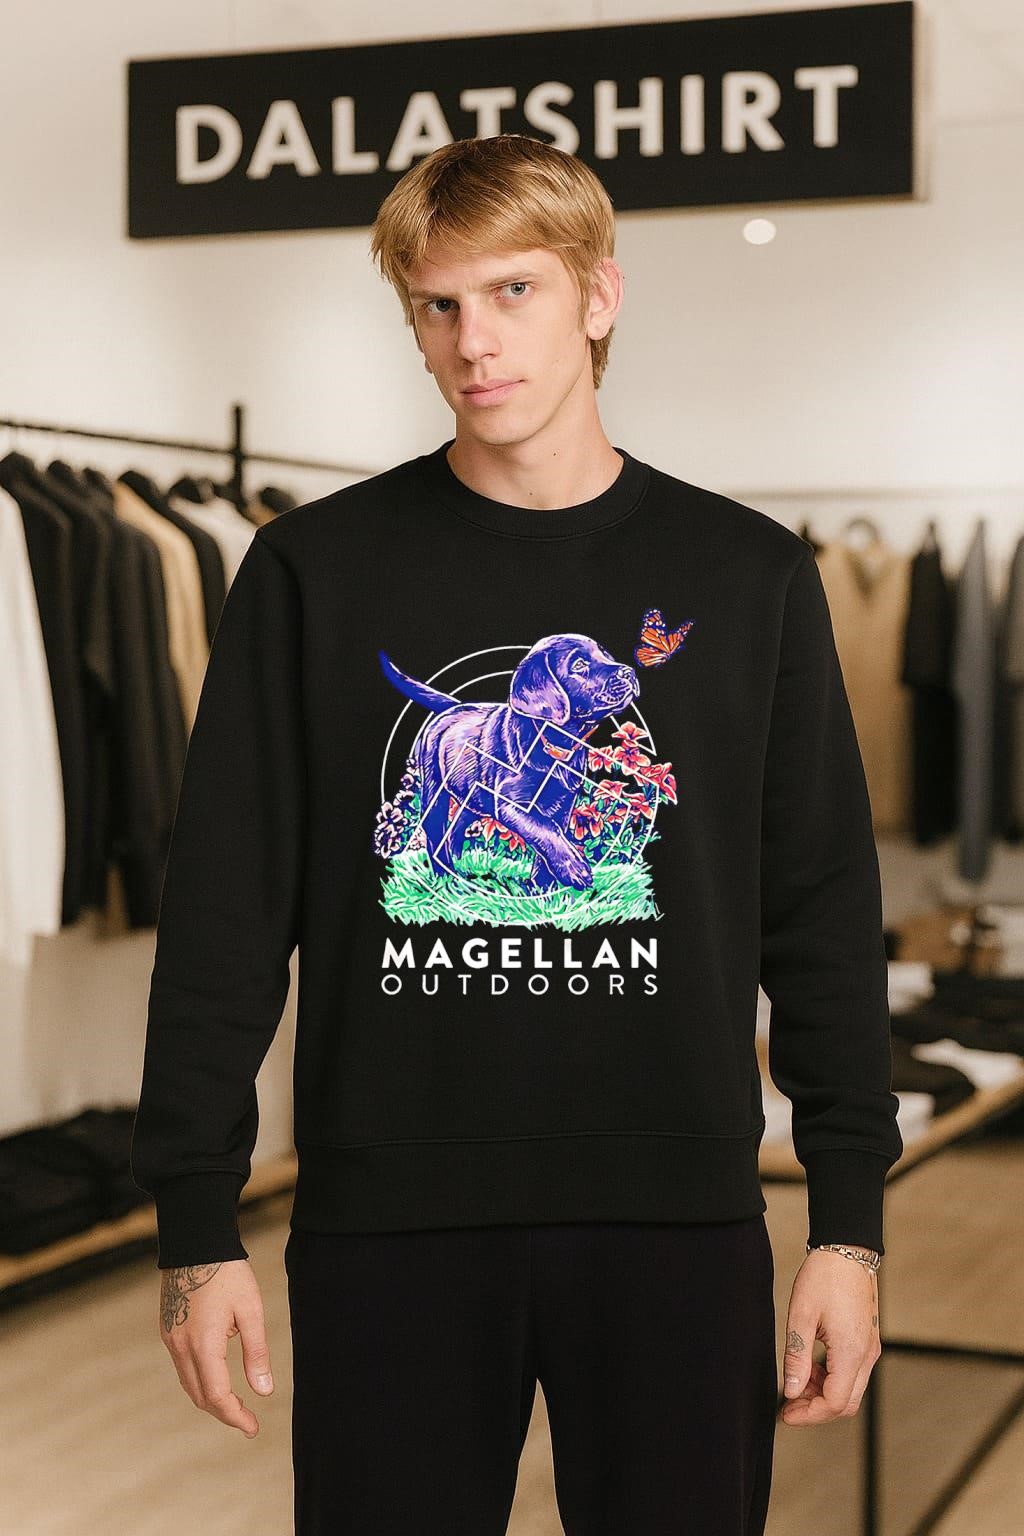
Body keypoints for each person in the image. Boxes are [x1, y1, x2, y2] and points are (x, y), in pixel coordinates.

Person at [131, 133, 902, 1534]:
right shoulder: (312, 570)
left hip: (675, 1216)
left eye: (512, 292)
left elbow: (821, 911)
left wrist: (849, 1223)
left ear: (599, 296)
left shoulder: (748, 575)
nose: (472, 341)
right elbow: (224, 914)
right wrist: (195, 1221)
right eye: (437, 305)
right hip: (388, 1222)